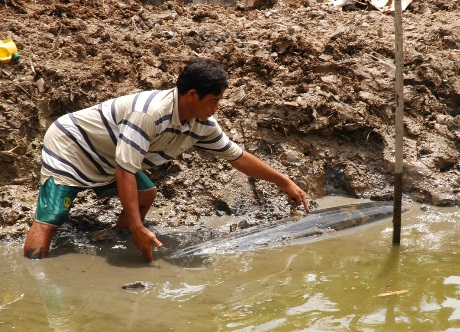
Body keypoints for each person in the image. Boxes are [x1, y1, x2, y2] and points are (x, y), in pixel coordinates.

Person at [24, 58, 310, 262]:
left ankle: (120, 239)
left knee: (146, 192)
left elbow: (237, 157)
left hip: (111, 153)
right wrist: (139, 226)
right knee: (52, 218)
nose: (216, 108)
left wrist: (284, 182)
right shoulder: (148, 115)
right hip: (72, 146)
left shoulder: (201, 123)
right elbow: (125, 170)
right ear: (192, 95)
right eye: (213, 100)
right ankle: (35, 274)